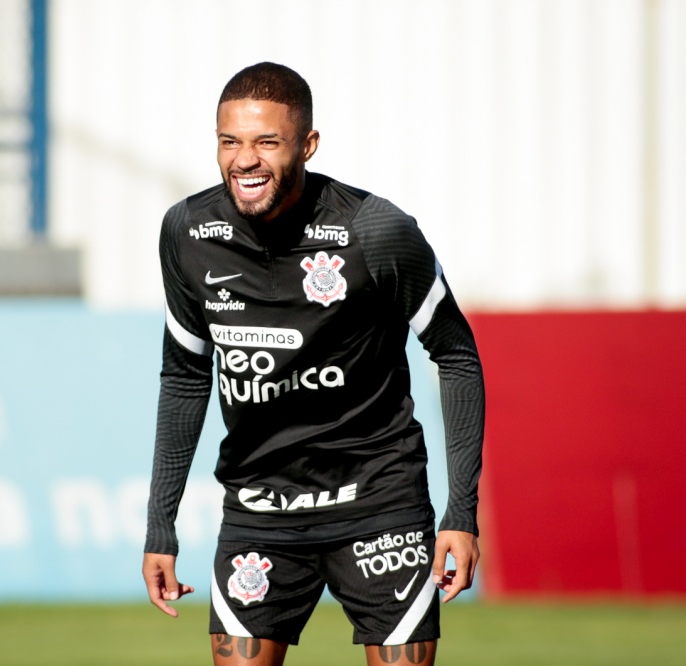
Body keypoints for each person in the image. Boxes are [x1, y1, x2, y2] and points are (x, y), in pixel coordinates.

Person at [142, 62, 485, 666]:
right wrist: (160, 526)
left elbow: (455, 356)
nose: (244, 160)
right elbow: (186, 374)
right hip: (259, 510)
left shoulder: (376, 231)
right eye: (230, 142)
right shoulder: (187, 232)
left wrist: (462, 513)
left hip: (381, 504)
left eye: (266, 142)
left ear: (307, 144)